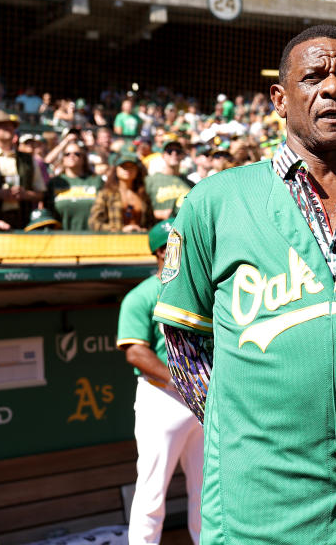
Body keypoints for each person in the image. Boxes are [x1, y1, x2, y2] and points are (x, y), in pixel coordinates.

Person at [153, 25, 336, 545]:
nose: (332, 88)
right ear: (280, 99)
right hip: (262, 501)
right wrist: (239, 429)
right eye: (314, 77)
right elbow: (183, 339)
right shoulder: (214, 201)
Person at [116, 220, 203, 545]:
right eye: (173, 244)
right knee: (152, 493)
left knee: (206, 491)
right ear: (160, 251)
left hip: (199, 398)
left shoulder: (197, 290)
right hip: (162, 400)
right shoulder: (141, 296)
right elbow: (136, 353)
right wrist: (183, 381)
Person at [0, 110, 46, 229]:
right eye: (2, 125)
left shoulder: (28, 160)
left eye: (11, 125)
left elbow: (40, 194)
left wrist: (25, 194)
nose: (8, 128)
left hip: (23, 223)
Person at [88, 154, 154, 232]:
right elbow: (93, 222)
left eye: (132, 166)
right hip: (114, 241)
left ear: (137, 170)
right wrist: (118, 230)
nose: (128, 170)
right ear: (116, 169)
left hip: (140, 241)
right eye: (124, 166)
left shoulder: (143, 194)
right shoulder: (106, 194)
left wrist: (145, 230)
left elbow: (151, 222)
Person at [46, 140, 103, 230]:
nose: (71, 156)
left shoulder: (96, 181)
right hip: (61, 238)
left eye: (77, 154)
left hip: (93, 237)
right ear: (63, 159)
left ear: (83, 158)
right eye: (67, 154)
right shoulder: (54, 183)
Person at [144, 140, 193, 220]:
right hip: (159, 228)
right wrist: (159, 214)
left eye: (178, 151)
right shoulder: (150, 180)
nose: (174, 154)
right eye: (169, 151)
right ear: (163, 155)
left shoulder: (191, 184)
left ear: (183, 155)